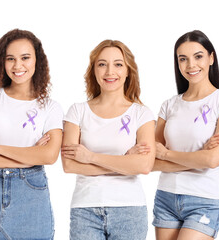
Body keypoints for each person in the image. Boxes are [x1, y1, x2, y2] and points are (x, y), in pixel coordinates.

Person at [0, 29, 63, 240]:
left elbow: (49, 156)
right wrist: (30, 154)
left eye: (25, 58)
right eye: (11, 59)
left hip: (31, 194)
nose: (18, 66)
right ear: (2, 62)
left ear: (37, 60)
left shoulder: (50, 107)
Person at [61, 40, 156, 240]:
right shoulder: (77, 111)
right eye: (102, 64)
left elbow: (145, 165)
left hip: (129, 211)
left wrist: (89, 157)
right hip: (85, 210)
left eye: (118, 64)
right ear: (94, 70)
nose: (109, 71)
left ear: (128, 70)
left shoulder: (142, 114)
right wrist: (125, 162)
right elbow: (69, 165)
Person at [150, 30, 219, 239]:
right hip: (166, 196)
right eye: (183, 59)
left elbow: (212, 159)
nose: (191, 65)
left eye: (198, 56)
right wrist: (197, 158)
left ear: (211, 58)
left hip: (205, 199)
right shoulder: (169, 105)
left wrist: (166, 154)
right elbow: (150, 161)